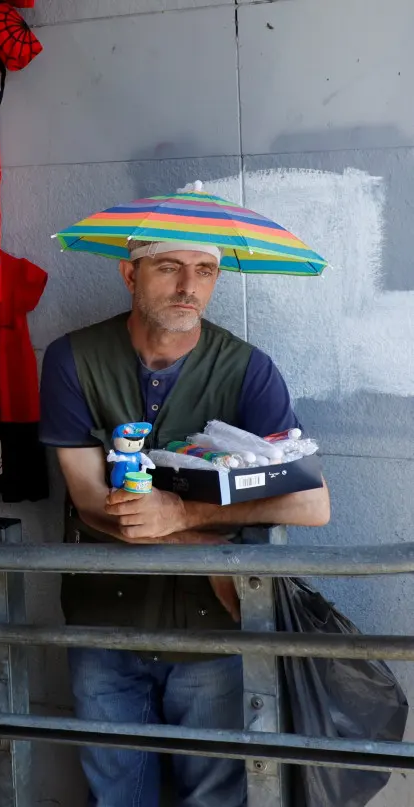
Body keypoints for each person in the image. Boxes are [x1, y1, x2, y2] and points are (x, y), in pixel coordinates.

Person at [39, 240, 331, 807]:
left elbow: (312, 504)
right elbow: (89, 496)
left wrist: (182, 512)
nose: (188, 287)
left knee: (214, 795)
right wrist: (199, 537)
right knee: (116, 794)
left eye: (205, 271)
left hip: (213, 626)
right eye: (169, 267)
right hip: (105, 619)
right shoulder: (72, 358)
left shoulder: (249, 370)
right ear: (130, 274)